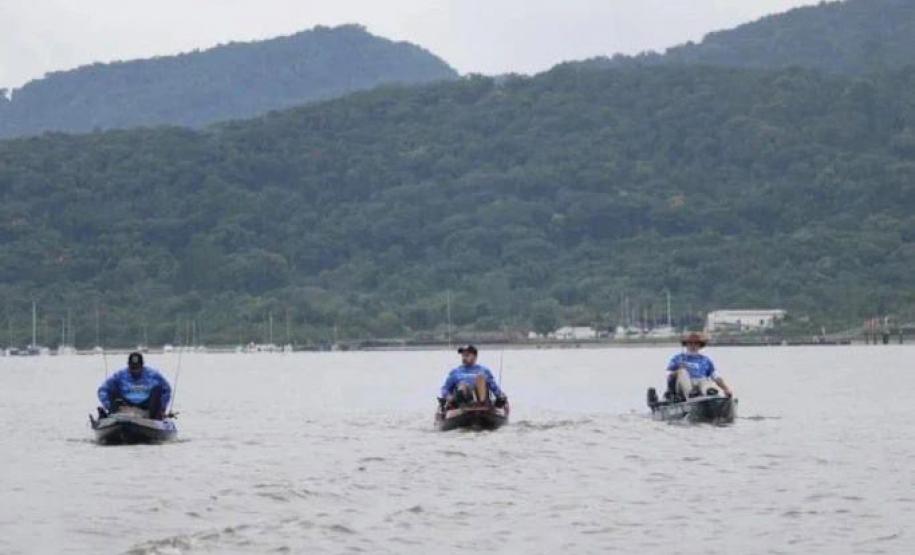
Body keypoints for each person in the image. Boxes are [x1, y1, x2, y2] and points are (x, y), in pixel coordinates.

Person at [98, 352, 172, 419]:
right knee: (112, 389)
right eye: (132, 368)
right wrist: (108, 405)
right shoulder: (119, 375)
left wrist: (163, 408)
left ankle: (156, 417)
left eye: (137, 368)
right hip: (125, 405)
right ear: (128, 365)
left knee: (157, 389)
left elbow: (167, 389)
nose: (135, 371)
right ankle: (114, 414)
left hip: (147, 406)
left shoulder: (153, 375)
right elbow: (102, 390)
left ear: (142, 365)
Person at [665, 332, 733, 401]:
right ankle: (690, 394)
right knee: (683, 372)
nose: (693, 346)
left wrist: (726, 389)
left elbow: (716, 376)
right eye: (690, 343)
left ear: (700, 345)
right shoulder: (678, 358)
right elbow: (668, 375)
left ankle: (709, 392)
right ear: (686, 344)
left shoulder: (706, 360)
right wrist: (678, 370)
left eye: (696, 343)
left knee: (704, 380)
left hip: (700, 383)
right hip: (684, 386)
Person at [439, 345, 508, 409]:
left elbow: (494, 387)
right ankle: (465, 406)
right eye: (463, 356)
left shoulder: (484, 370)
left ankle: (481, 405)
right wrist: (448, 396)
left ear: (475, 356)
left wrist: (500, 396)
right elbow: (445, 389)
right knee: (462, 385)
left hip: (482, 398)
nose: (464, 358)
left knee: (480, 377)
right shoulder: (455, 372)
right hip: (462, 399)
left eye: (467, 355)